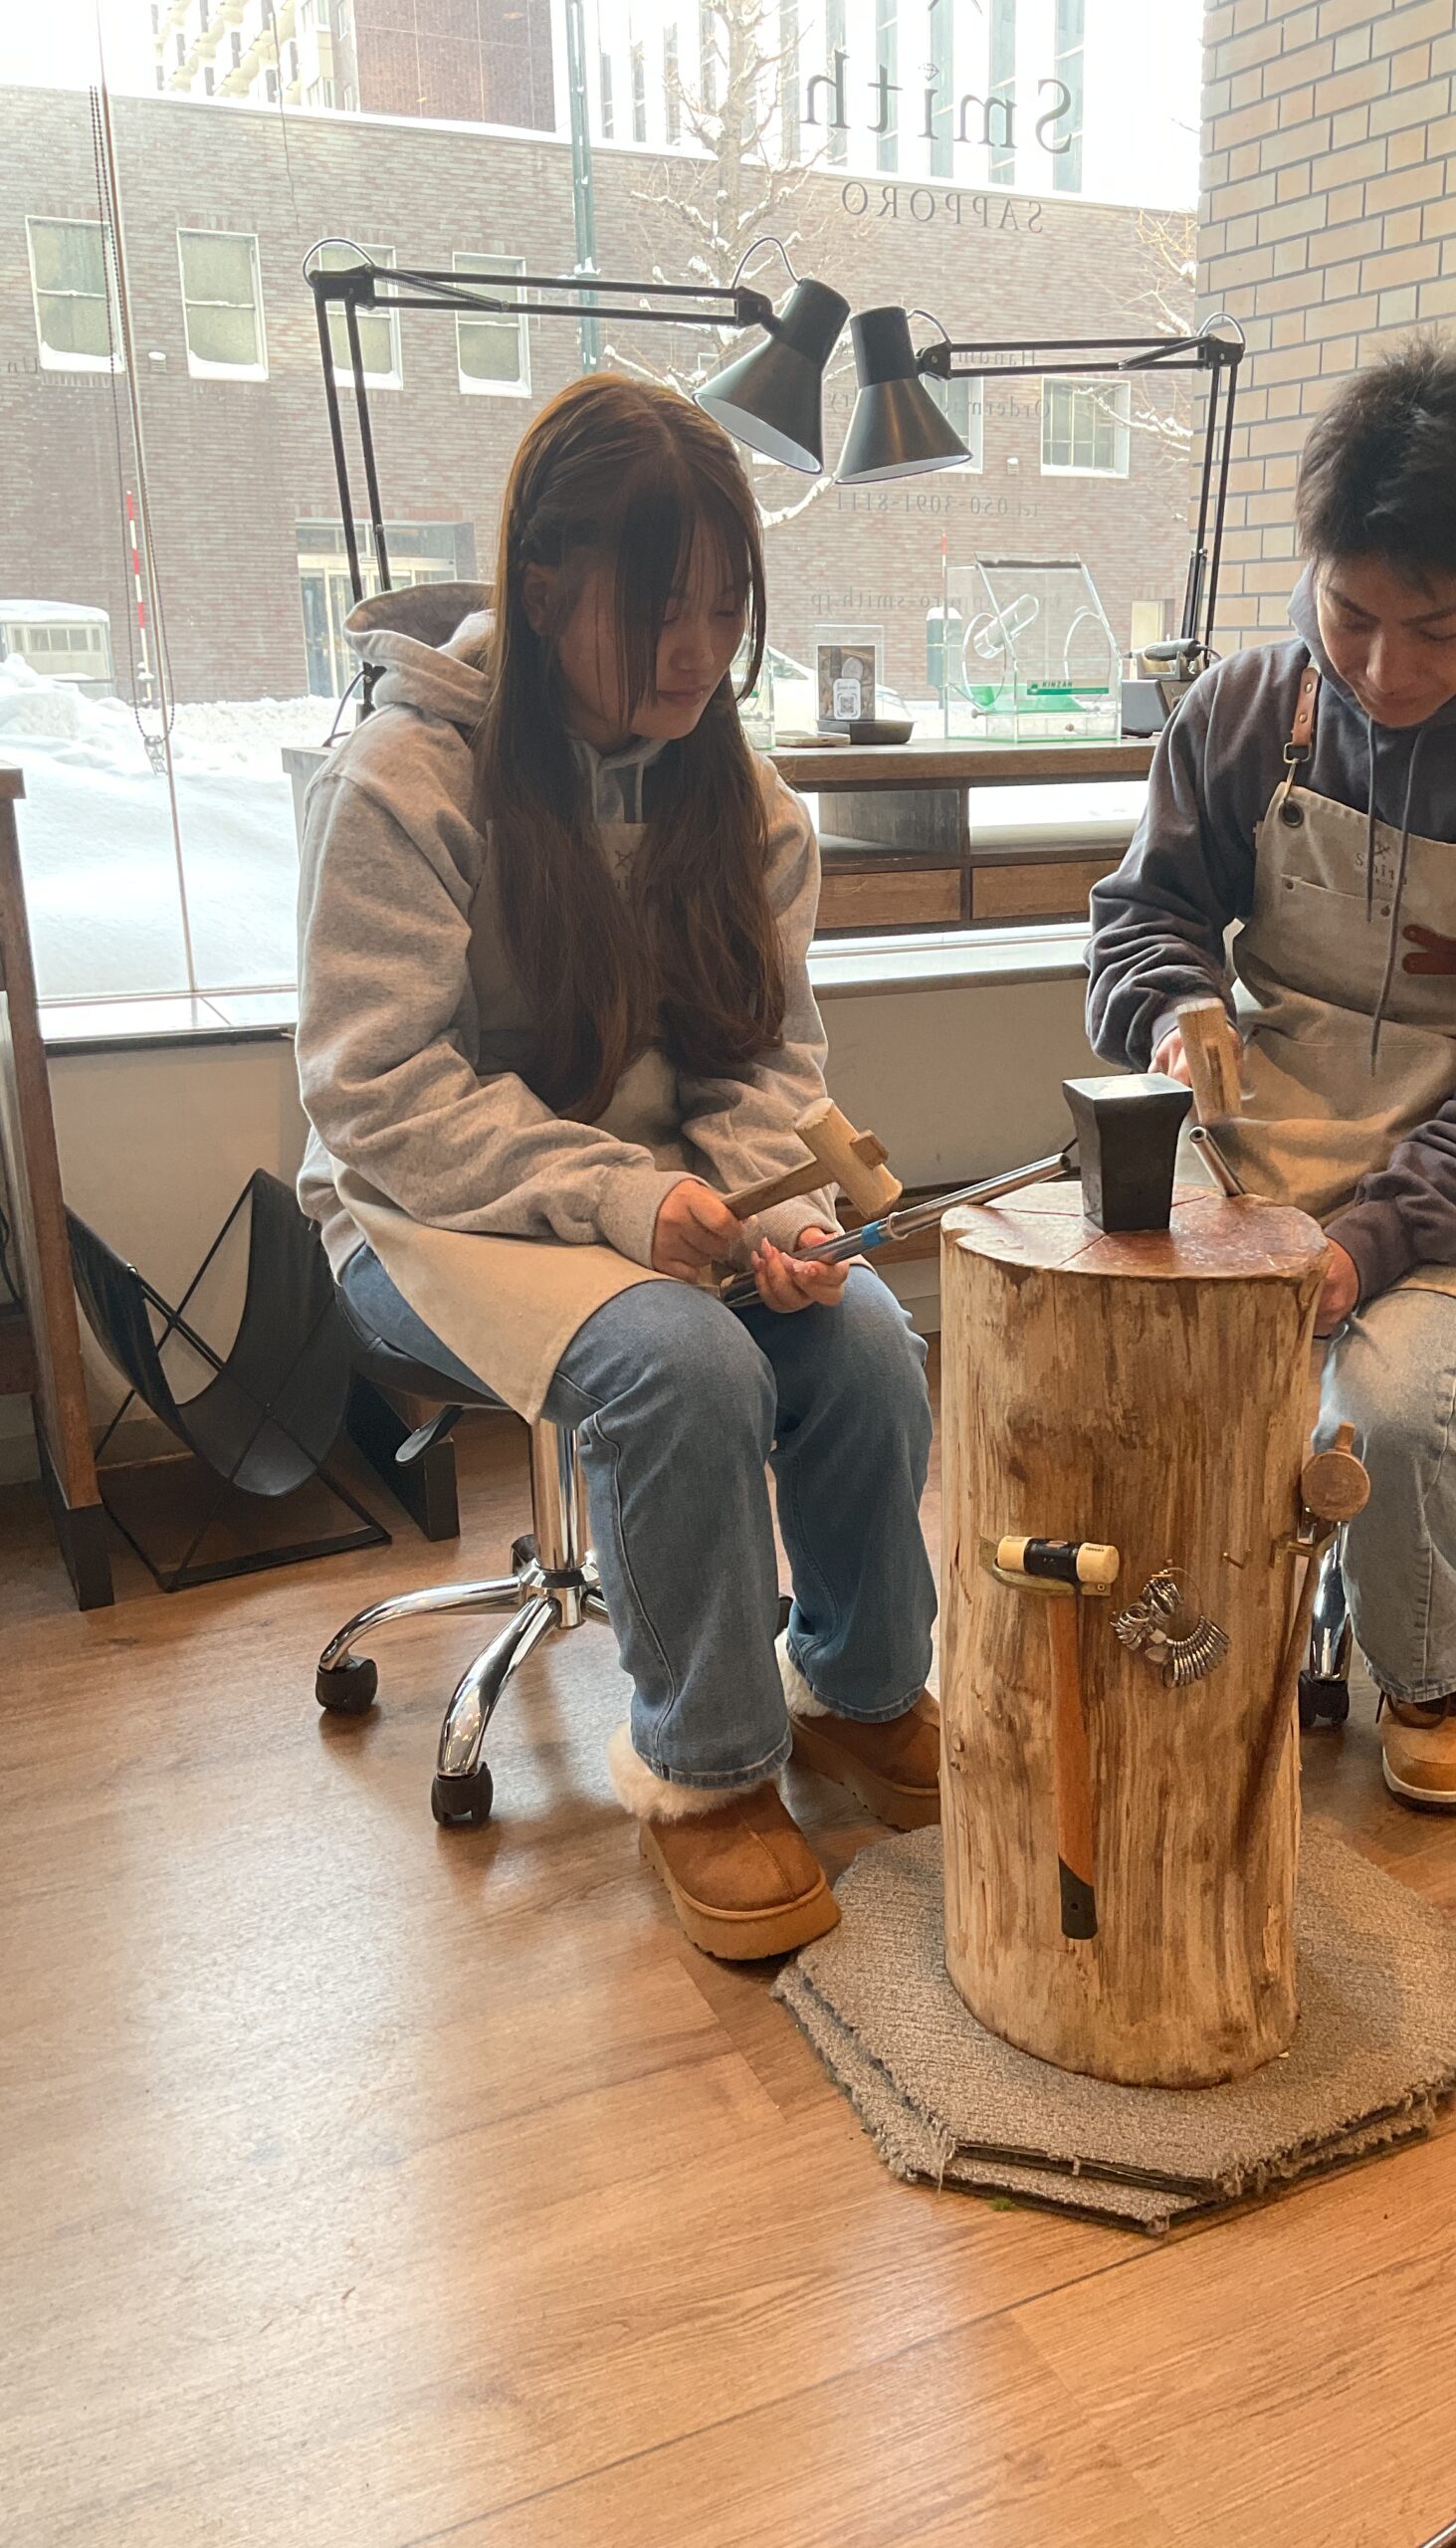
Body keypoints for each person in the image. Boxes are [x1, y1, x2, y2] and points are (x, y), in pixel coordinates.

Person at [296, 375, 937, 1955]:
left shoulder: (744, 799)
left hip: (671, 1203)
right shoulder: (402, 781)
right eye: (657, 610)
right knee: (681, 1364)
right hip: (427, 1214)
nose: (697, 652)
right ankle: (708, 1773)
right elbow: (380, 1092)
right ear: (540, 583)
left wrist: (772, 1207)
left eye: (724, 609)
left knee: (865, 1341)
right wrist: (626, 1201)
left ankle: (861, 1691)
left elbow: (767, 1062)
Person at [1087, 338, 1456, 1812]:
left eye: (1438, 629)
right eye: (1350, 615)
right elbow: (1141, 917)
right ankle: (1188, 1636)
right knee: (1116, 1370)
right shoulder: (1249, 709)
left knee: (1397, 1406)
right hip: (1247, 1156)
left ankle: (1434, 1658)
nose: (1382, 670)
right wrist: (1174, 1007)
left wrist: (1368, 1246)